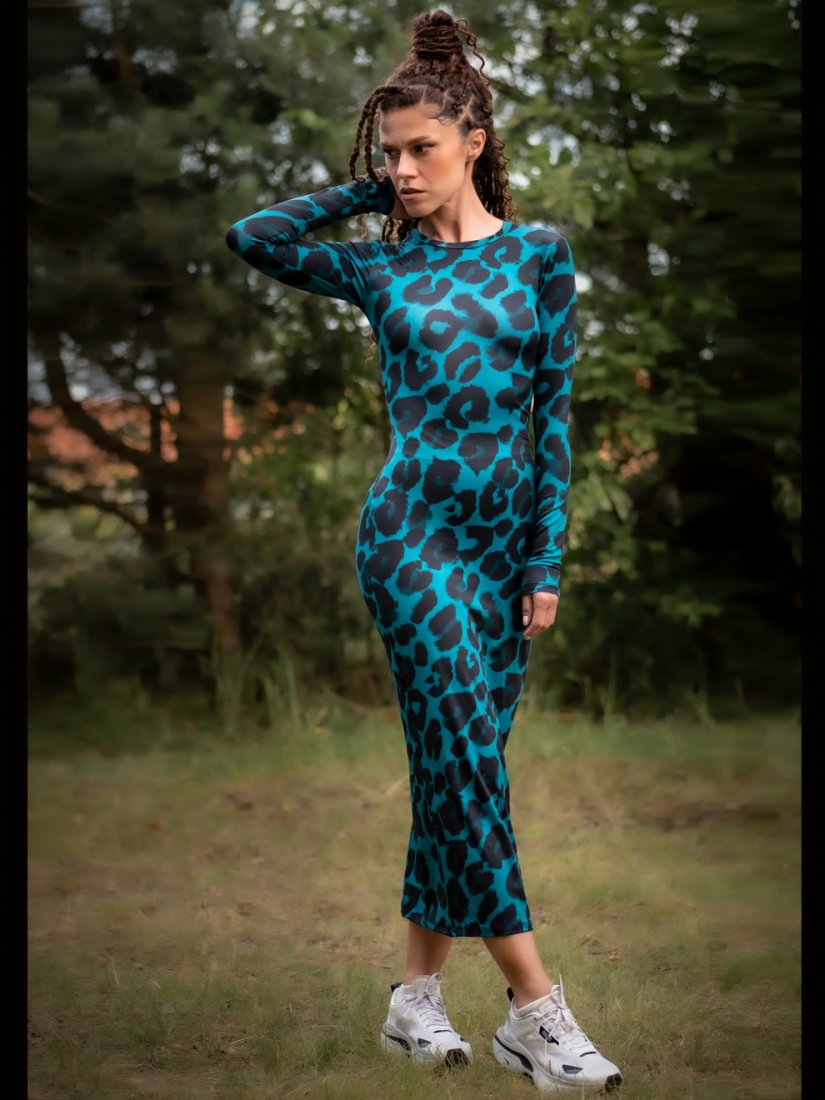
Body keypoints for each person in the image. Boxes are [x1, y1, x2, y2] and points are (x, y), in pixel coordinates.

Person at [226, 8, 622, 1094]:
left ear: (474, 144)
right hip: (410, 540)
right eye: (389, 153)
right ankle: (537, 1012)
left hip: (502, 556)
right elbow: (254, 236)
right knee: (469, 762)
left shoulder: (539, 258)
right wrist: (364, 192)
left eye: (421, 150)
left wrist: (543, 562)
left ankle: (414, 1000)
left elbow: (553, 416)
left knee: (459, 768)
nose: (402, 169)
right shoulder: (382, 270)